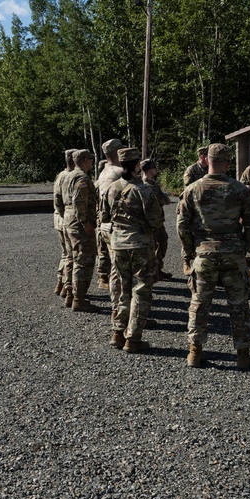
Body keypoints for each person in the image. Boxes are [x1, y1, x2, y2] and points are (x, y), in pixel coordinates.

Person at [177, 143, 250, 369]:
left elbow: (182, 226)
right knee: (239, 304)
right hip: (233, 252)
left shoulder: (193, 189)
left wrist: (189, 253)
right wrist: (246, 248)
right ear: (227, 163)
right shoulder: (239, 189)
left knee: (200, 303)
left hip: (204, 253)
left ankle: (195, 351)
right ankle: (243, 353)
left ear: (208, 161)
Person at [102, 148, 165, 353]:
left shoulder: (111, 188)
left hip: (118, 244)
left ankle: (118, 332)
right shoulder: (143, 189)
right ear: (137, 165)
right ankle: (133, 338)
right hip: (140, 245)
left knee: (123, 288)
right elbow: (156, 220)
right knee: (141, 291)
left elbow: (104, 216)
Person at [62, 149, 98, 312]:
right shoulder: (82, 178)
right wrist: (85, 223)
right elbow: (78, 201)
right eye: (90, 159)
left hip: (68, 219)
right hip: (78, 223)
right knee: (83, 260)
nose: (92, 162)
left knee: (73, 257)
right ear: (84, 160)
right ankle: (79, 298)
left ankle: (70, 294)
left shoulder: (68, 175)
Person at [96, 138, 125, 291]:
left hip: (103, 218)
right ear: (116, 152)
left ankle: (102, 277)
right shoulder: (118, 173)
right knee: (117, 259)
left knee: (103, 251)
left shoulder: (104, 171)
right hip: (116, 220)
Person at [141, 158, 172, 280]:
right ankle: (152, 272)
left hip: (158, 221)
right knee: (151, 248)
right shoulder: (146, 185)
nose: (156, 169)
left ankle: (158, 269)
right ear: (149, 169)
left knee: (162, 243)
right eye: (154, 167)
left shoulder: (153, 183)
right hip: (151, 222)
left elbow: (166, 200)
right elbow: (163, 199)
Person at [52, 149, 77, 297]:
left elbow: (56, 198)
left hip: (58, 219)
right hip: (67, 219)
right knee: (71, 255)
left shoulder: (60, 175)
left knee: (65, 253)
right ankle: (66, 286)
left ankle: (61, 283)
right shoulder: (72, 177)